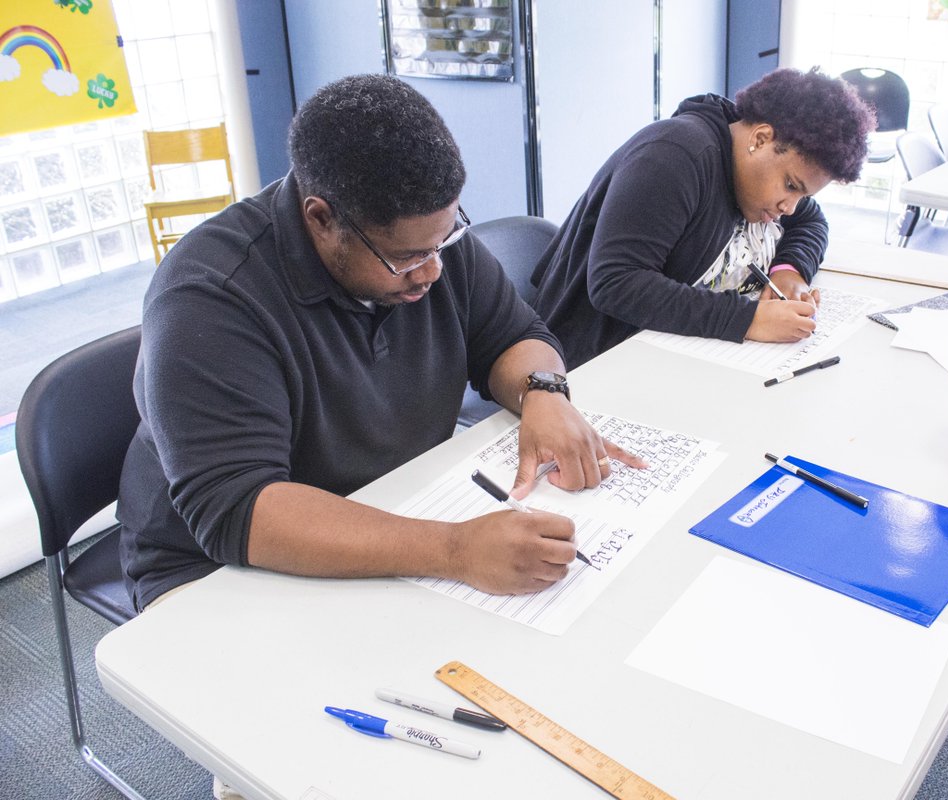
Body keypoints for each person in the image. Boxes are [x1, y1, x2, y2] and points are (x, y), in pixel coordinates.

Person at [117, 74, 643, 613]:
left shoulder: (423, 239)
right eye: (407, 258)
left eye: (446, 239)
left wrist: (544, 394)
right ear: (320, 218)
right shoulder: (208, 298)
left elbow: (514, 334)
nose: (433, 270)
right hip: (219, 563)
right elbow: (241, 510)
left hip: (395, 499)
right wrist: (455, 549)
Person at [530, 67, 876, 369]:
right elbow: (615, 283)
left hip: (673, 355)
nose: (790, 207)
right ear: (761, 139)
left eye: (804, 195)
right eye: (791, 186)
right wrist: (748, 319)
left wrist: (790, 272)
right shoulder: (676, 156)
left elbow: (810, 222)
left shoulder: (762, 188)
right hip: (589, 362)